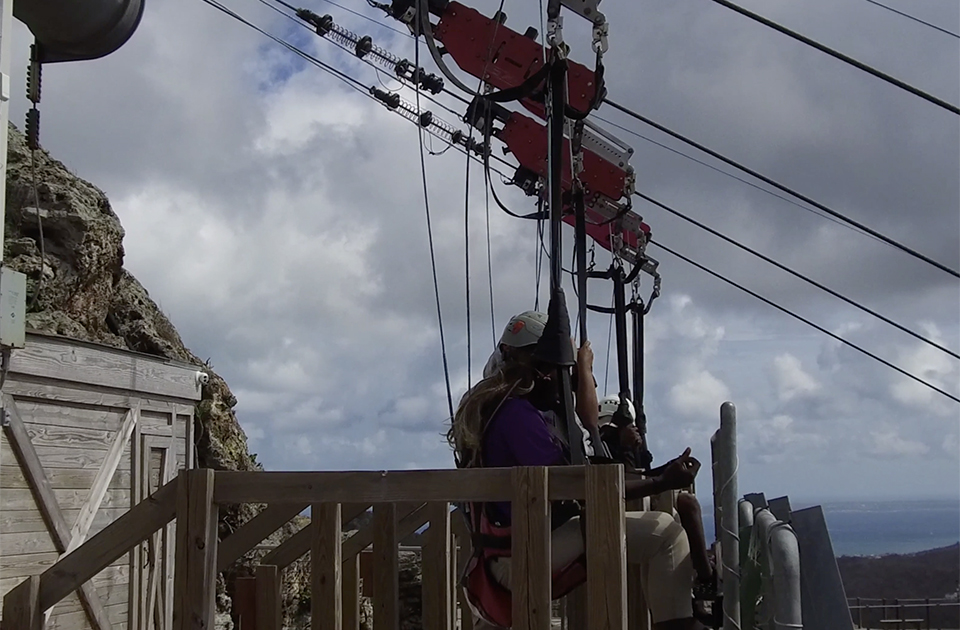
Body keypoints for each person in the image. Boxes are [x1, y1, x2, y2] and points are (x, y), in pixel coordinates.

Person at [449, 309, 707, 630]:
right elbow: (579, 487)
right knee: (665, 534)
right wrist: (661, 482)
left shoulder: (499, 408)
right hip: (519, 557)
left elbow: (584, 479)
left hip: (505, 552)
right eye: (563, 370)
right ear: (544, 369)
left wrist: (662, 475)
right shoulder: (518, 417)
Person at [596, 395, 716, 590]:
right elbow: (618, 481)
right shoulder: (600, 447)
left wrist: (672, 467)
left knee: (686, 503)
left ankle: (702, 582)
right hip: (611, 516)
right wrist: (626, 448)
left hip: (620, 509)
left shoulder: (608, 444)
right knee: (685, 506)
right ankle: (705, 581)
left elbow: (641, 475)